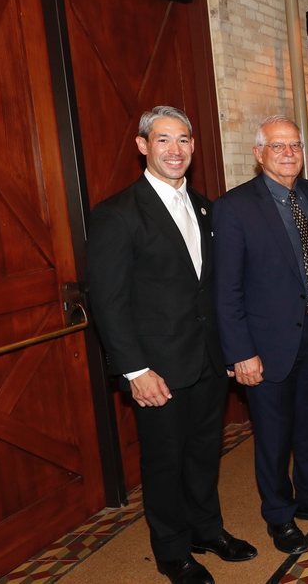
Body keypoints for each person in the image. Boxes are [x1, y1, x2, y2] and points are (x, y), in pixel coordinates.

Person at [87, 106, 256, 584]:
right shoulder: (117, 213)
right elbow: (109, 301)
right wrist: (135, 371)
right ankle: (171, 551)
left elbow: (211, 288)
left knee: (205, 453)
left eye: (183, 140)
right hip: (156, 369)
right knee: (164, 463)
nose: (175, 150)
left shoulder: (205, 206)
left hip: (206, 360)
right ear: (143, 146)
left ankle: (207, 530)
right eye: (163, 140)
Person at [214, 116, 308, 556]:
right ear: (259, 154)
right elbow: (227, 288)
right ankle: (279, 514)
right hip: (266, 344)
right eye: (278, 147)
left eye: (295, 145)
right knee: (274, 436)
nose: (289, 153)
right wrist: (241, 353)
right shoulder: (235, 207)